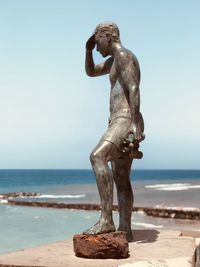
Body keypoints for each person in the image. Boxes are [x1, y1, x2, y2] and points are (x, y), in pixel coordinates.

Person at [84, 22, 144, 241]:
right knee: (121, 177)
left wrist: (134, 123)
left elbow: (134, 88)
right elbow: (91, 71)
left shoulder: (124, 56)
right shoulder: (113, 60)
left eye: (97, 41)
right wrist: (88, 50)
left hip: (125, 118)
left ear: (107, 37)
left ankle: (106, 220)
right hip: (119, 120)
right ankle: (125, 230)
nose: (98, 47)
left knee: (97, 157)